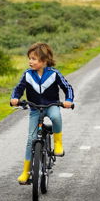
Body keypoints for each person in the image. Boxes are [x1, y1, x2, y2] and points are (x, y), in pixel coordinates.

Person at [10, 42, 75, 185]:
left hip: (51, 105)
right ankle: (26, 172)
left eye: (34, 59)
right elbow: (18, 89)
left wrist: (68, 100)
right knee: (30, 139)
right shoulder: (27, 75)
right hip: (34, 108)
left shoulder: (54, 73)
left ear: (44, 61)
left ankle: (58, 142)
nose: (30, 61)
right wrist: (15, 98)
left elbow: (67, 87)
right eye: (30, 58)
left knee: (56, 117)